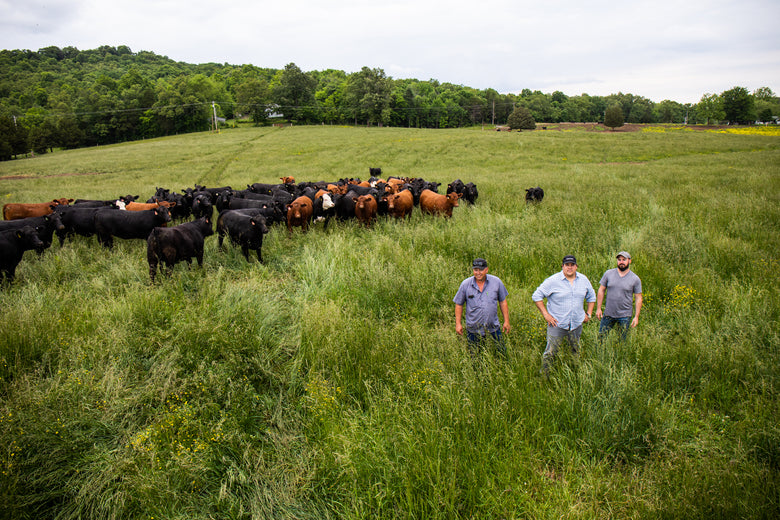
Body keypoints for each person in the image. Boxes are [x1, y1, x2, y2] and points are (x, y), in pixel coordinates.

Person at [532, 255, 596, 375]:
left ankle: (574, 374)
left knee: (575, 350)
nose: (570, 268)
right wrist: (546, 315)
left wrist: (589, 314)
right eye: (567, 265)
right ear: (562, 266)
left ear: (576, 266)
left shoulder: (583, 280)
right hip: (557, 324)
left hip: (576, 323)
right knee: (551, 352)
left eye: (572, 265)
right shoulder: (553, 281)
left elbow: (591, 296)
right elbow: (536, 296)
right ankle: (544, 376)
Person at [454, 258, 511, 358]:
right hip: (473, 328)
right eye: (475, 270)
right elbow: (459, 304)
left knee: (502, 354)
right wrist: (458, 324)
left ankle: (501, 369)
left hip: (493, 327)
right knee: (475, 356)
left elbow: (503, 302)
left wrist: (506, 321)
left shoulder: (496, 282)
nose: (478, 273)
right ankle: (477, 372)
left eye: (481, 270)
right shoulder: (466, 284)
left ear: (486, 270)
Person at [596, 251, 643, 342]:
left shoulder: (635, 279)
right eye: (619, 260)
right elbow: (601, 290)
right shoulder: (608, 274)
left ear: (629, 261)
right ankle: (600, 355)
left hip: (625, 315)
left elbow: (638, 298)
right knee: (601, 340)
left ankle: (620, 356)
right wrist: (598, 308)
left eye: (624, 260)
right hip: (608, 314)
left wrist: (636, 316)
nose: (621, 262)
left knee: (622, 342)